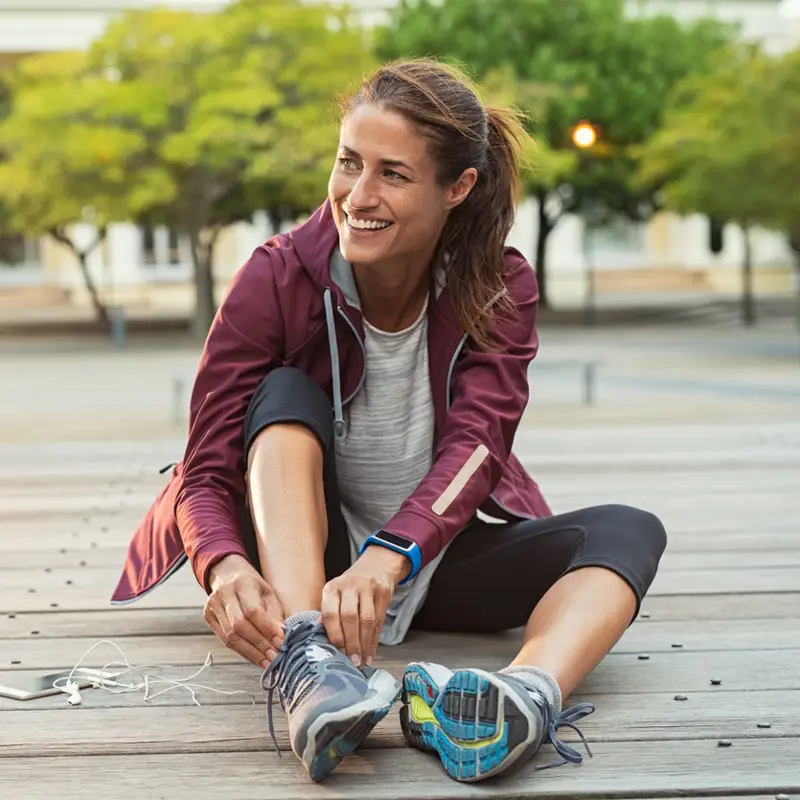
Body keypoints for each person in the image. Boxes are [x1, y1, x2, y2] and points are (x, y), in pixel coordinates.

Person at [112, 58, 667, 784]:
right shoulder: (275, 277)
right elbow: (206, 467)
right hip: (305, 568)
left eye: (393, 175)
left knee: (628, 530)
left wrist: (391, 554)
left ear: (457, 187)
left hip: (425, 558)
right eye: (348, 163)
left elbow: (479, 447)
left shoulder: (498, 284)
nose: (357, 195)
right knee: (282, 395)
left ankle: (525, 696)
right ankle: (310, 667)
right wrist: (224, 564)